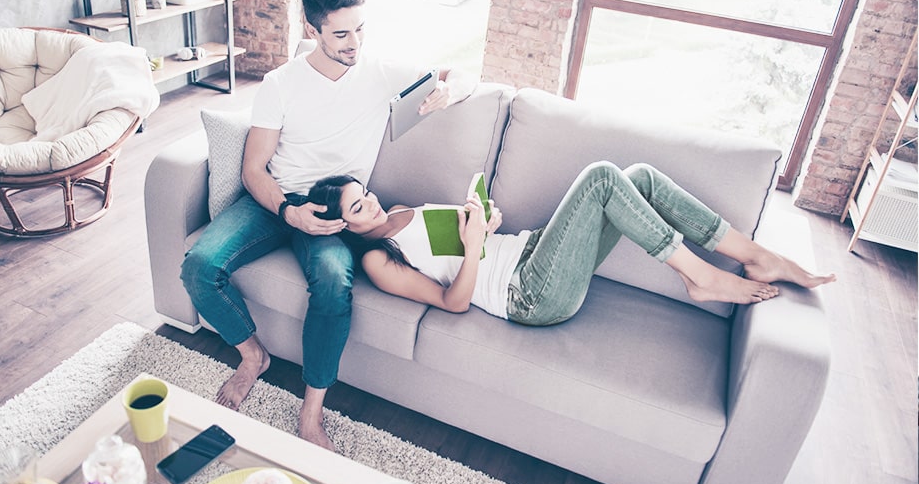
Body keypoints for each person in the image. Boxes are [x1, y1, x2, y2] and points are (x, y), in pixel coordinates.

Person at [180, 0, 475, 449]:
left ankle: (311, 410)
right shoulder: (280, 84)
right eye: (341, 33)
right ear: (312, 29)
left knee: (335, 284)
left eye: (360, 29)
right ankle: (252, 355)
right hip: (275, 201)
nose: (354, 43)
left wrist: (451, 90)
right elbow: (255, 169)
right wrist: (287, 211)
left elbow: (462, 72)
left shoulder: (380, 73)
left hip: (337, 211)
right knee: (198, 267)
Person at [306, 162, 836, 324]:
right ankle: (700, 275)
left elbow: (472, 238)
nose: (372, 204)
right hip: (528, 295)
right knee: (604, 176)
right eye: (358, 208)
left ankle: (752, 256)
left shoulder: (398, 211)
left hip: (530, 250)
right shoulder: (378, 260)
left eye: (366, 194)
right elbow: (454, 301)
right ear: (341, 227)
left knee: (642, 179)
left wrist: (484, 223)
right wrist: (472, 248)